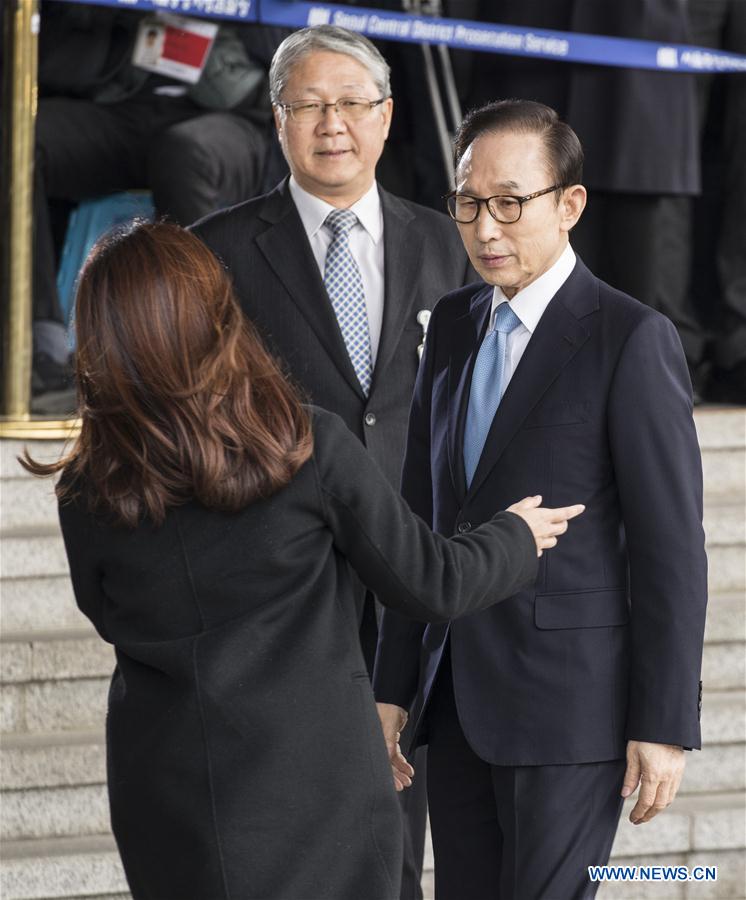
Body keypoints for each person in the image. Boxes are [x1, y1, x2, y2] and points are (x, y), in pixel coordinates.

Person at [22, 222, 583, 900]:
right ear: (216, 318)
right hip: (315, 790)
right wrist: (516, 536)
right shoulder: (304, 443)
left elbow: (105, 611)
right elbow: (432, 582)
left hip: (164, 791)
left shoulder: (87, 485)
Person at [373, 100, 708, 900]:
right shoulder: (452, 324)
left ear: (570, 204)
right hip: (452, 702)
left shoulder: (631, 338)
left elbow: (671, 550)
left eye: (511, 203)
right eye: (469, 203)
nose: (487, 228)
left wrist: (663, 725)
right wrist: (391, 688)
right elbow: (423, 523)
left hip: (569, 711)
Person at [190, 25, 475, 896]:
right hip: (285, 579)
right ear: (276, 121)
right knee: (292, 824)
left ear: (387, 118)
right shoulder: (214, 249)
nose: (333, 123)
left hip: (413, 568)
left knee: (402, 824)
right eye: (308, 105)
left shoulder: (451, 243)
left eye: (352, 103)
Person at [32, 2, 286, 395]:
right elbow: (46, 47)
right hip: (122, 104)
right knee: (19, 138)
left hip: (235, 113)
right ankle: (40, 347)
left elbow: (300, 46)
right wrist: (130, 36)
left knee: (185, 152)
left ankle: (203, 352)